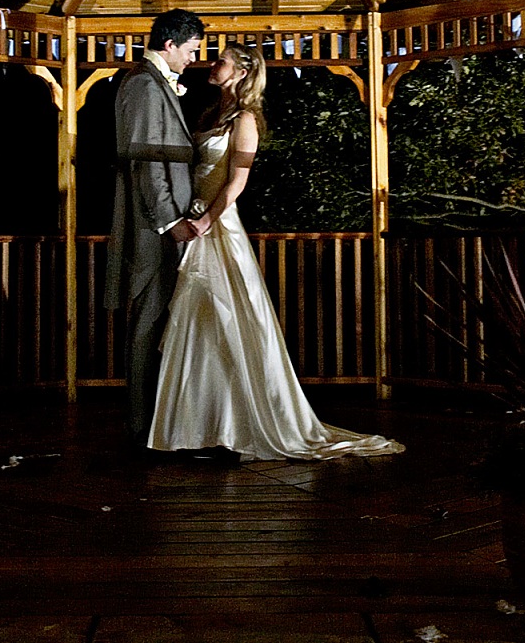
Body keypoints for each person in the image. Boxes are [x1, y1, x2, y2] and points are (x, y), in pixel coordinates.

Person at [148, 43, 404, 462]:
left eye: (222, 60)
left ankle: (239, 426)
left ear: (243, 71)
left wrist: (207, 221)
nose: (213, 65)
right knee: (201, 323)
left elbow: (235, 183)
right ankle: (201, 427)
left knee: (229, 319)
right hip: (194, 219)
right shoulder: (211, 112)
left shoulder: (245, 119)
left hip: (218, 225)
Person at [106, 8, 207, 446]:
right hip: (155, 227)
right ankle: (143, 426)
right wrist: (170, 222)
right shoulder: (146, 86)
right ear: (170, 45)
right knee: (149, 320)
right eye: (190, 50)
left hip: (167, 223)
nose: (192, 59)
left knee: (160, 320)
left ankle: (161, 422)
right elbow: (148, 165)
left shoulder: (155, 83)